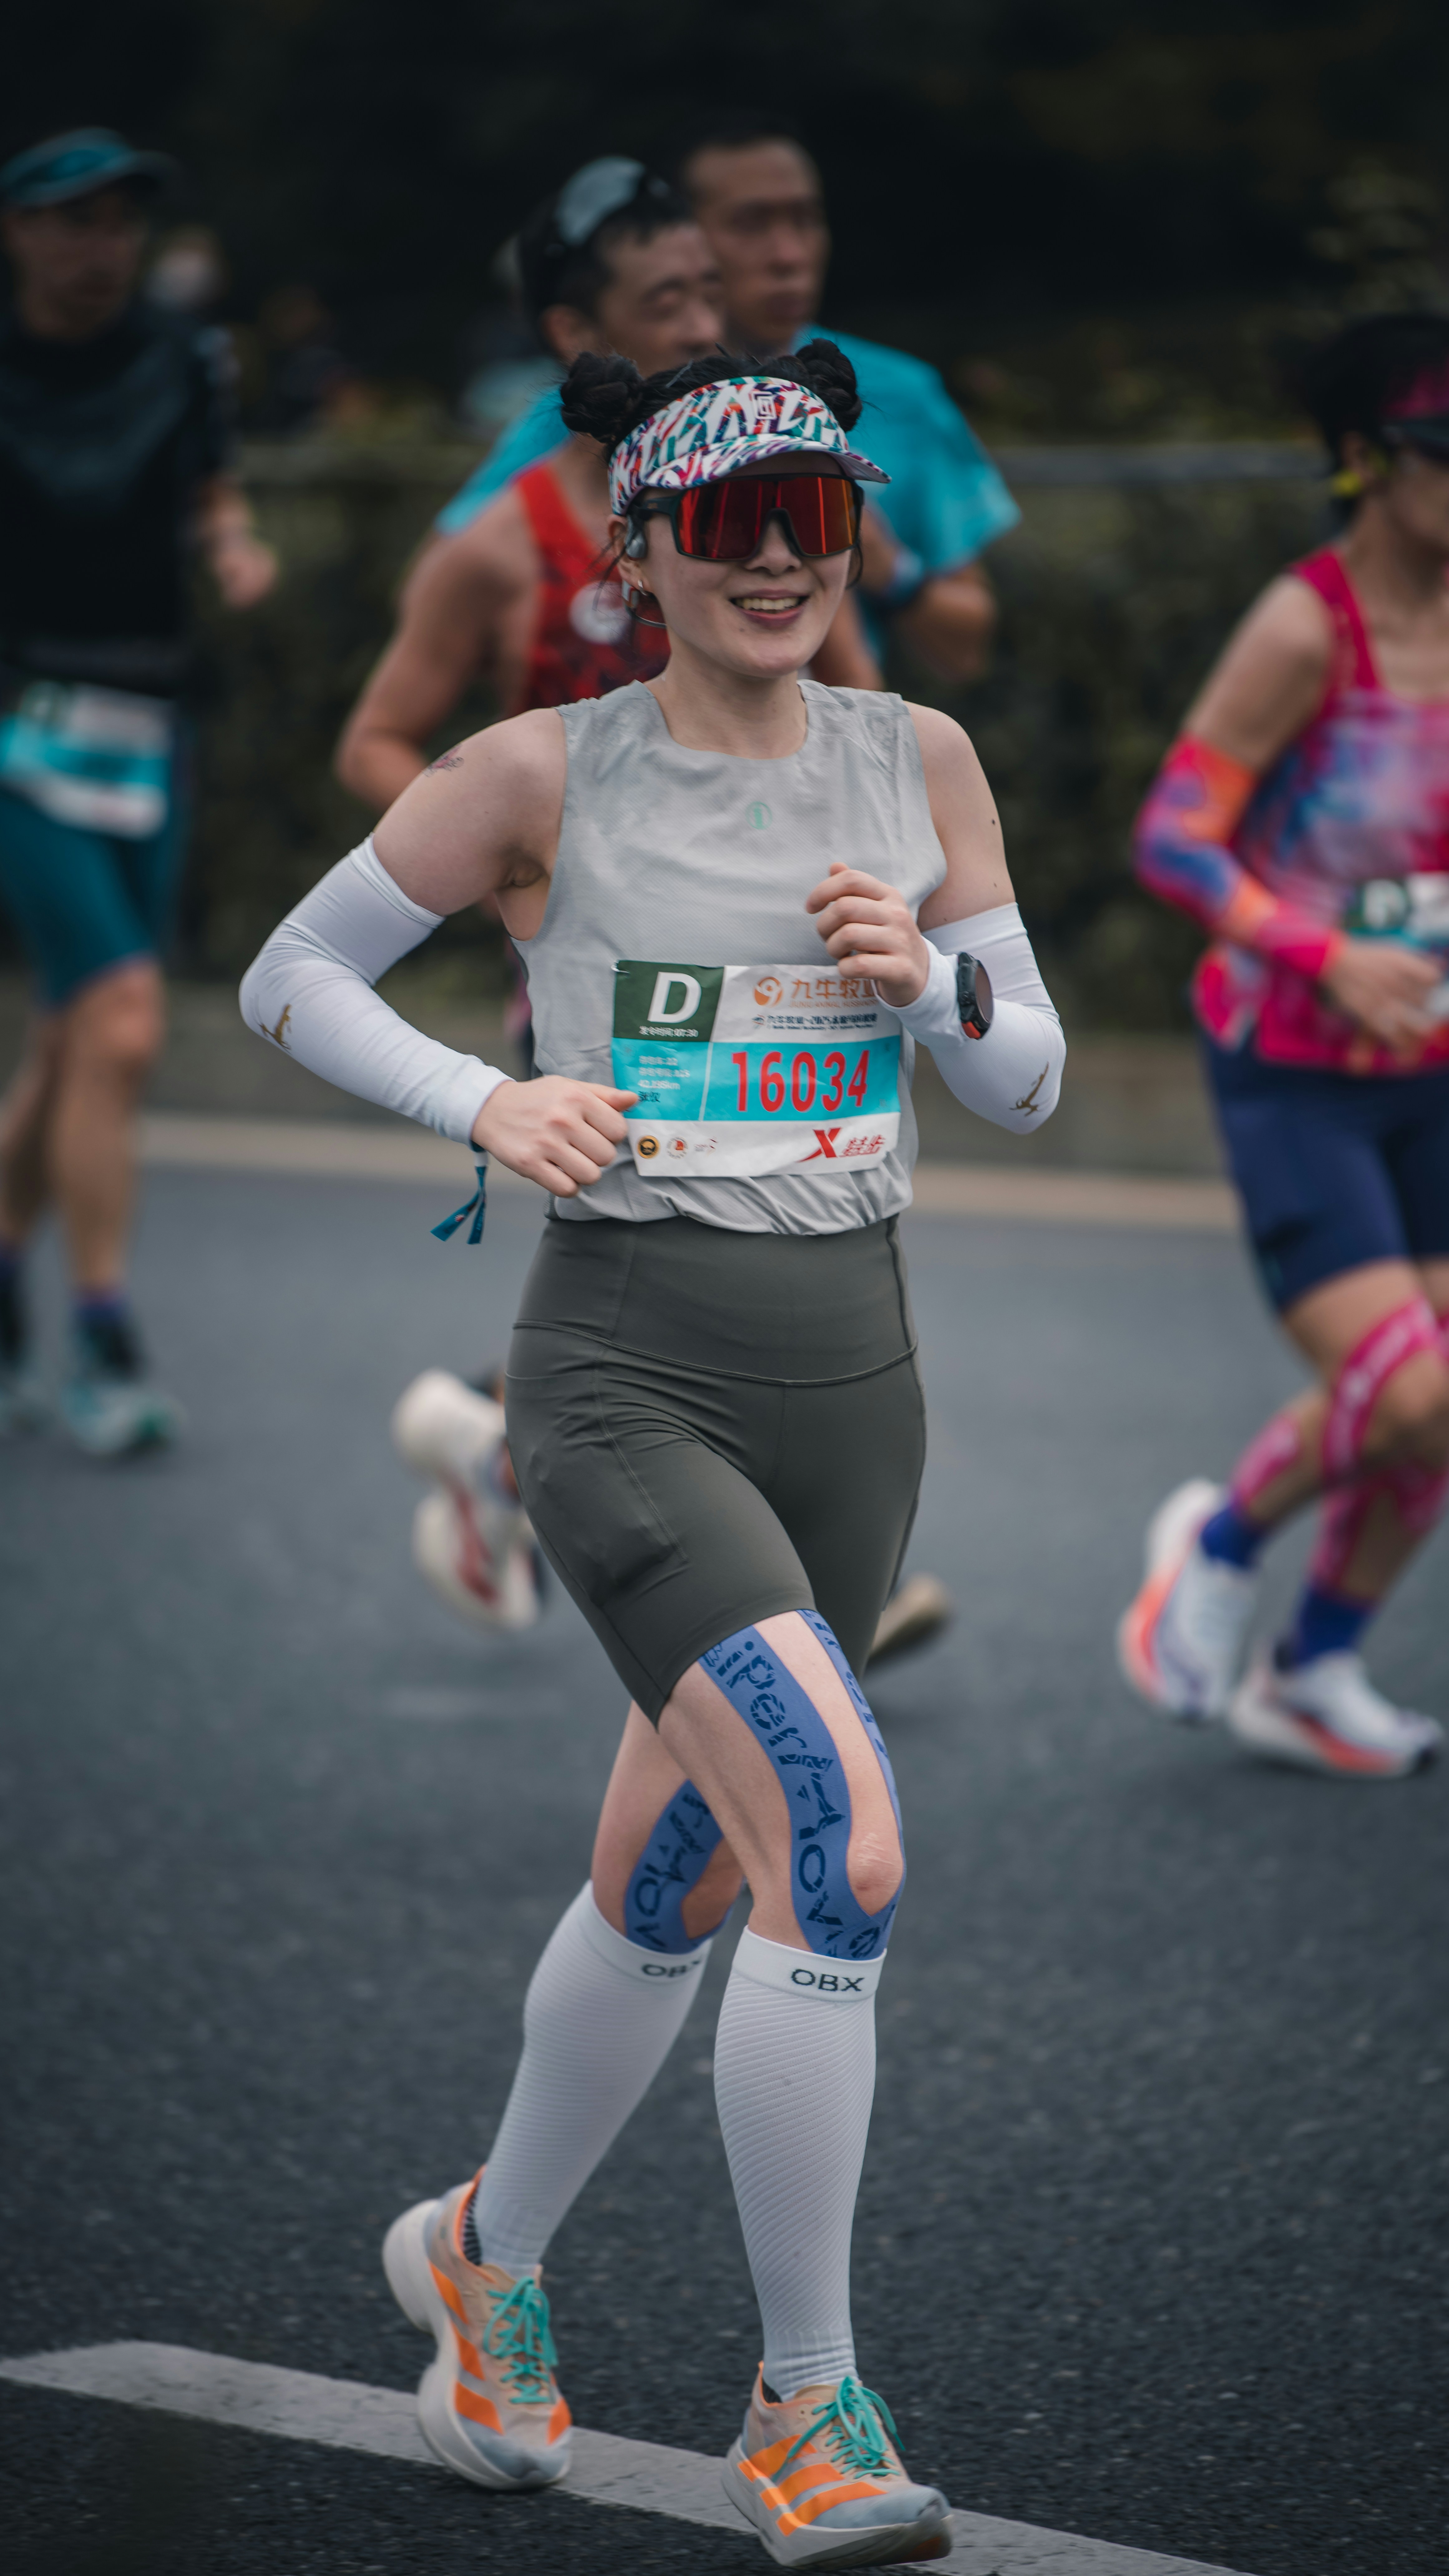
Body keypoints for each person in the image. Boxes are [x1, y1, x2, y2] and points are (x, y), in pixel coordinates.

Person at [242, 340, 1063, 2561]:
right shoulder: (539, 773)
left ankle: (482, 2260)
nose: (784, 554)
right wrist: (483, 1102)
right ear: (646, 548)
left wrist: (943, 983)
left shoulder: (924, 759)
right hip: (625, 1371)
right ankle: (808, 2408)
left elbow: (1033, 1079)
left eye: (819, 512)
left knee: (677, 1874)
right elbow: (294, 978)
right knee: (837, 1837)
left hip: (855, 1389)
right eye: (731, 520)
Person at [338, 158, 875, 1637]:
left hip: (785, 936)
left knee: (765, 1214)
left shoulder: (776, 492)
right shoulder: (498, 539)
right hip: (596, 956)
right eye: (667, 302)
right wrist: (512, 868)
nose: (713, 315)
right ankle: (768, 1558)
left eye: (713, 287)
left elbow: (858, 705)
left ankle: (498, 1443)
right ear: (577, 330)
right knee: (704, 1226)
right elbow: (380, 740)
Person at [1118, 312, 1449, 1782]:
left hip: (1432, 1071)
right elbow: (1172, 838)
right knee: (1415, 1386)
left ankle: (1308, 1671)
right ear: (1366, 461)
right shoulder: (1301, 624)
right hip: (1295, 1068)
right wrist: (1326, 951)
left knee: (1433, 1410)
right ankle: (1224, 1534)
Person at [0, 128, 276, 1452]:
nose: (97, 246)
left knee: (71, 1037)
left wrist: (232, 549)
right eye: (70, 221)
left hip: (149, 720)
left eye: (119, 221)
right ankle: (103, 1343)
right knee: (118, 1025)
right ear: (18, 235)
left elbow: (210, 492)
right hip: (15, 724)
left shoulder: (183, 357)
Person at [434, 121, 1018, 686]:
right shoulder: (606, 407)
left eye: (806, 219)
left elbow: (965, 654)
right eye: (751, 224)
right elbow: (449, 589)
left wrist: (883, 565)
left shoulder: (902, 395)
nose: (788, 253)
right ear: (684, 238)